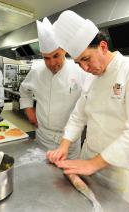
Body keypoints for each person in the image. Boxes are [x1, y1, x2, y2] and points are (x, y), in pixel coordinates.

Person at [46, 10, 129, 210]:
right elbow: (78, 116)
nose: (85, 68)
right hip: (89, 159)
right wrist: (64, 145)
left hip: (121, 171)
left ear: (103, 47)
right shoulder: (91, 79)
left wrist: (93, 164)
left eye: (86, 59)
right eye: (79, 63)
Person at [19, 17, 89, 159]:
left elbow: (88, 102)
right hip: (43, 136)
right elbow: (24, 91)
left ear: (63, 50)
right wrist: (29, 111)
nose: (51, 63)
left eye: (55, 56)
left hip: (68, 141)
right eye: (46, 58)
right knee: (41, 174)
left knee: (64, 179)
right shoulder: (37, 72)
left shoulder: (80, 71)